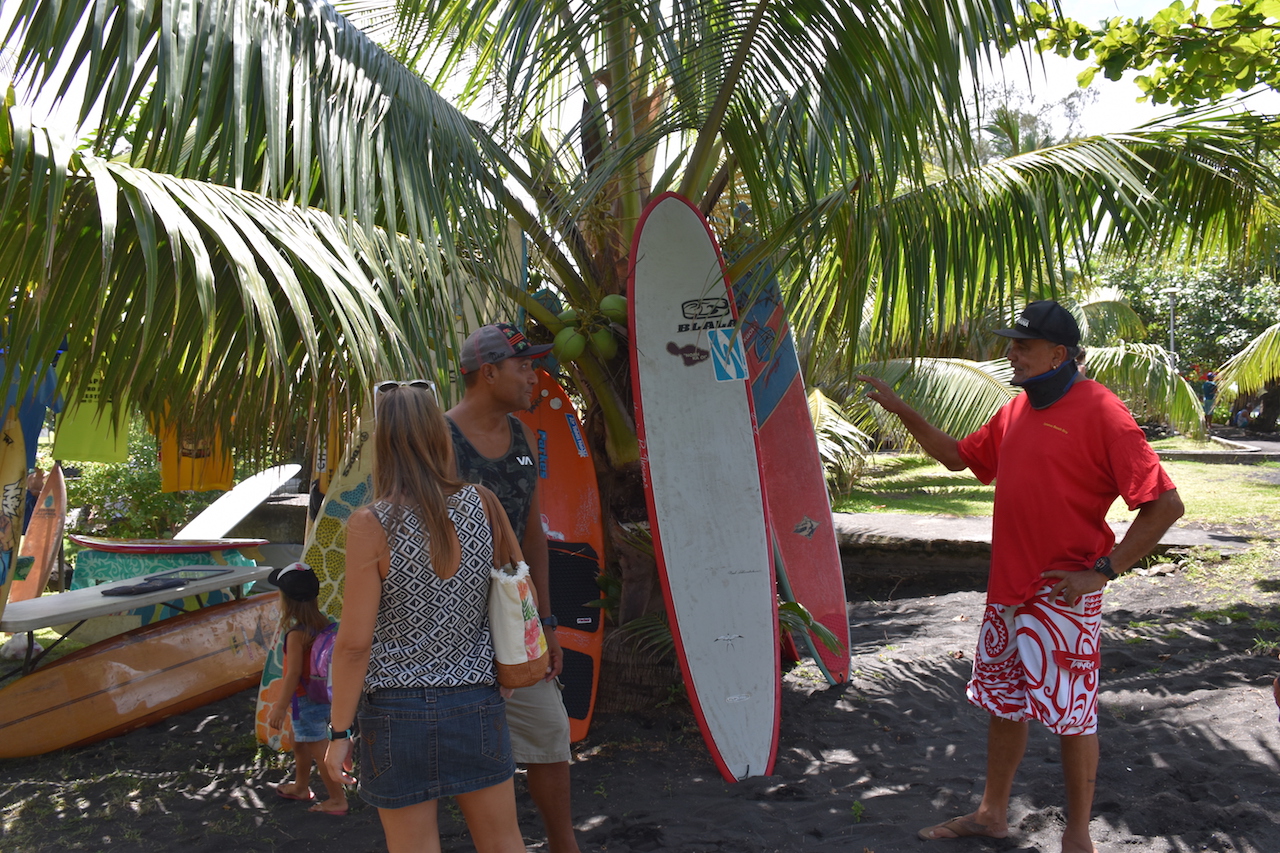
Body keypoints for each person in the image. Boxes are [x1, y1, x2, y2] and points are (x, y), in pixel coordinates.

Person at [860, 300, 1185, 853]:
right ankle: (991, 814)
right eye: (1012, 343)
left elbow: (1164, 505)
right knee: (1003, 704)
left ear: (1058, 354)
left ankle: (1078, 836)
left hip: (1061, 598)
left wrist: (1101, 572)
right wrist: (901, 410)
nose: (1011, 353)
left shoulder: (1102, 410)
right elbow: (959, 459)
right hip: (1007, 593)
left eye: (1023, 346)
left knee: (1072, 717)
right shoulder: (1016, 410)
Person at [323, 381, 525, 853]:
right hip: (477, 699)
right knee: (503, 842)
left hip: (396, 711)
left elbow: (354, 645)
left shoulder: (370, 524)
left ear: (384, 443)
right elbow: (515, 591)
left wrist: (338, 732)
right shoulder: (483, 503)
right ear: (440, 436)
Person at [445, 323, 583, 853]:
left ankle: (563, 844)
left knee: (549, 735)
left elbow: (534, 536)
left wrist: (547, 622)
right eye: (524, 366)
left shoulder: (523, 436)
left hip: (516, 619)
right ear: (489, 372)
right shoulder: (439, 438)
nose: (535, 376)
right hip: (454, 627)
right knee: (471, 748)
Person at [267, 563, 349, 816]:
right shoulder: (324, 623)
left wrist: (280, 706)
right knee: (298, 741)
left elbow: (292, 673)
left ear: (286, 600)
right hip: (323, 694)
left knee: (319, 750)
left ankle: (337, 799)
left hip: (305, 701)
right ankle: (301, 786)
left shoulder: (296, 634)